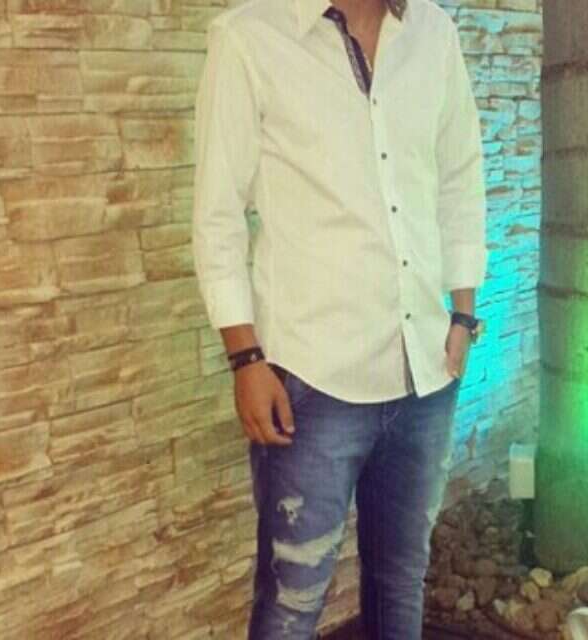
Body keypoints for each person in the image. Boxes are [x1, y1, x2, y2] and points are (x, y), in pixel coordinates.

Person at [190, 0, 487, 637]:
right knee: (292, 602)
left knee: (400, 580)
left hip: (424, 372)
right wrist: (245, 359)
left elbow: (460, 177)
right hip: (311, 380)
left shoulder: (433, 33)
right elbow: (217, 215)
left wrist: (463, 314)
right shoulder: (248, 38)